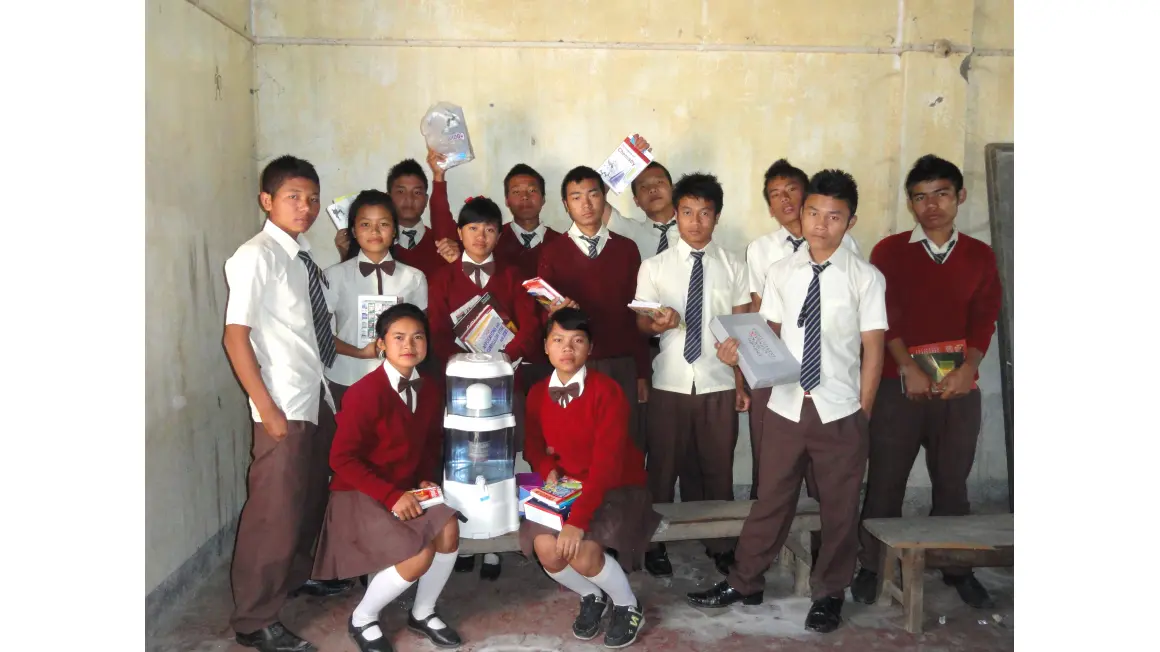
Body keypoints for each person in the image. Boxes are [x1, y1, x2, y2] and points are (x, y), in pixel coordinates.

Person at [687, 169, 886, 635]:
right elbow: (767, 336)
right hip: (785, 406)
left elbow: (873, 351)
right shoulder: (781, 272)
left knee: (839, 508)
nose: (820, 224)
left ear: (850, 222)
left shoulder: (865, 278)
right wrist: (737, 352)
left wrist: (862, 414)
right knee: (770, 499)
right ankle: (745, 581)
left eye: (833, 216)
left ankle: (829, 593)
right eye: (814, 212)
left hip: (839, 410)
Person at [851, 154, 1002, 609]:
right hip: (899, 387)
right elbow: (883, 315)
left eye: (941, 194)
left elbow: (985, 317)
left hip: (958, 387)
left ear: (960, 196)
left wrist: (969, 368)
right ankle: (873, 565)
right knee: (885, 483)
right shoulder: (889, 251)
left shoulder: (979, 255)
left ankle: (956, 567)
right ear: (910, 203)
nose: (931, 205)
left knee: (953, 484)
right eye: (920, 197)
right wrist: (906, 366)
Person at [222, 155, 352, 652]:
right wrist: (268, 408)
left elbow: (309, 334)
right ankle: (254, 619)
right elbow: (236, 337)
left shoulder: (301, 258)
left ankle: (296, 577)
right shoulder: (256, 256)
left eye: (312, 198)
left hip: (314, 396)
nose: (306, 207)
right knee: (273, 513)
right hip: (283, 403)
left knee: (307, 500)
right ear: (267, 200)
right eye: (294, 197)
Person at [313, 304, 464, 652]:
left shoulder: (429, 389)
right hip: (361, 492)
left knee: (449, 528)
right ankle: (363, 618)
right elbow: (341, 459)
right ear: (381, 344)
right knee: (419, 554)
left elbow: (430, 444)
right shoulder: (364, 392)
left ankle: (423, 612)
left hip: (404, 488)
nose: (409, 345)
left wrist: (425, 479)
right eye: (399, 337)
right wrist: (391, 496)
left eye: (418, 337)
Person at [633, 172, 750, 578]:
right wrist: (657, 323)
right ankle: (655, 544)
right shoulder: (654, 267)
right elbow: (642, 324)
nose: (696, 222)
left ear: (717, 216)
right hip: (670, 381)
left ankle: (720, 543)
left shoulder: (734, 266)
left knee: (718, 469)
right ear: (676, 215)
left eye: (705, 213)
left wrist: (740, 383)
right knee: (662, 468)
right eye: (687, 212)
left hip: (719, 383)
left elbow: (740, 328)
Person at [522, 307, 661, 649]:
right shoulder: (537, 392)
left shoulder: (607, 392)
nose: (567, 349)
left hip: (614, 486)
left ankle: (628, 604)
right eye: (558, 340)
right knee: (546, 549)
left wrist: (577, 522)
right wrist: (547, 467)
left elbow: (606, 467)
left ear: (590, 348)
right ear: (546, 346)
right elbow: (533, 445)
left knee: (582, 552)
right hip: (566, 487)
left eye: (577, 341)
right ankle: (592, 595)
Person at [425, 195, 544, 581]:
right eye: (473, 228)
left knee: (498, 456)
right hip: (457, 385)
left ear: (498, 235)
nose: (481, 236)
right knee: (459, 458)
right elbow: (437, 331)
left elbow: (530, 326)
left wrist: (502, 360)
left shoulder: (512, 276)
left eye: (490, 229)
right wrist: (463, 364)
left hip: (504, 382)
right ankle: (461, 534)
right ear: (460, 233)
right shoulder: (442, 278)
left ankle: (493, 543)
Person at [536, 166, 650, 447]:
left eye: (593, 195)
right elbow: (542, 317)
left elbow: (638, 314)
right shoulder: (552, 252)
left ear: (604, 198)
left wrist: (641, 372)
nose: (586, 204)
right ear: (566, 205)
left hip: (621, 364)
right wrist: (554, 313)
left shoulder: (627, 249)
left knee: (624, 444)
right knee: (577, 445)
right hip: (573, 365)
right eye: (576, 197)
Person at [323, 190, 428, 410]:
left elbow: (421, 333)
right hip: (347, 377)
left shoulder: (414, 278)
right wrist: (360, 353)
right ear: (353, 231)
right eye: (365, 224)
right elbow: (319, 333)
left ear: (395, 230)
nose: (374, 231)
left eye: (383, 224)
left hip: (399, 379)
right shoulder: (334, 276)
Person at [335, 150, 461, 276]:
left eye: (417, 192)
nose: (409, 199)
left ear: (426, 199)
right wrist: (347, 255)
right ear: (389, 197)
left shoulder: (444, 244)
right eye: (401, 192)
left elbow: (441, 215)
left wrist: (439, 176)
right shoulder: (373, 242)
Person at [493, 163, 563, 282]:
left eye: (532, 190)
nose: (525, 197)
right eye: (516, 192)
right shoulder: (493, 240)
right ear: (507, 200)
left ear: (543, 198)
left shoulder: (561, 244)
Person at [605, 156, 679, 261]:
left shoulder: (697, 226)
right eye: (643, 186)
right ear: (636, 201)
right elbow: (595, 202)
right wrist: (625, 158)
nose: (652, 189)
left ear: (673, 190)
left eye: (659, 182)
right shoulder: (631, 232)